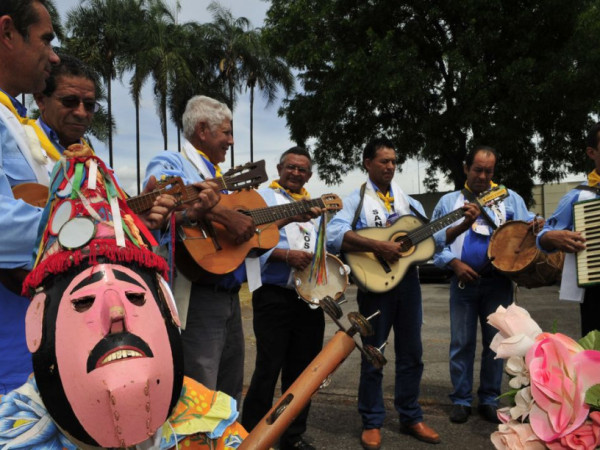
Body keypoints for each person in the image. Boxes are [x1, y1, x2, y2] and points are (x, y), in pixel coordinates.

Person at [0, 153, 246, 449]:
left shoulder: (207, 419)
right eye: (83, 302)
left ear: (167, 305)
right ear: (37, 321)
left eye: (135, 297)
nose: (116, 312)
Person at [327, 137, 440, 449]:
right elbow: (334, 235)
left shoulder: (409, 203)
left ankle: (411, 416)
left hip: (409, 284)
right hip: (375, 285)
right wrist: (378, 245)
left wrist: (461, 223)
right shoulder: (355, 200)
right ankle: (372, 420)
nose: (390, 166)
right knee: (373, 353)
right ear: (368, 163)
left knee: (412, 353)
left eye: (393, 161)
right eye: (384, 161)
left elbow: (435, 238)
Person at [144, 95, 256, 406]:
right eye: (226, 132)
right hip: (198, 295)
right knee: (199, 391)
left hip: (230, 296)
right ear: (203, 130)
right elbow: (164, 199)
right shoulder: (171, 162)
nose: (231, 141)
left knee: (230, 389)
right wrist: (221, 215)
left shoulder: (220, 176)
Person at [431, 145, 536, 425]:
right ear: (466, 168)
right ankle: (461, 400)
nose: (483, 176)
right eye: (477, 170)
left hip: (499, 284)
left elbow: (526, 232)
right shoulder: (449, 202)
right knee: (461, 343)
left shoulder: (510, 198)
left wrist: (536, 228)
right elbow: (433, 243)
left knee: (497, 344)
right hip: (462, 284)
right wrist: (454, 263)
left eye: (489, 171)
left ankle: (489, 399)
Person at [241, 147, 324, 450]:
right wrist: (285, 255)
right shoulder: (263, 199)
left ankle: (292, 436)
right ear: (279, 169)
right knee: (268, 368)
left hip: (309, 299)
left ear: (309, 175)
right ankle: (250, 435)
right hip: (273, 295)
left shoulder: (315, 207)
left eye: (302, 169)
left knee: (302, 374)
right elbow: (251, 241)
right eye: (291, 167)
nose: (296, 173)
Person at [0, 0, 60, 394]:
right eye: (45, 40)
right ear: (7, 33)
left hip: (33, 343)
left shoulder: (15, 120)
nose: (54, 57)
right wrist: (87, 223)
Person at [537, 122, 600, 336]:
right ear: (591, 152)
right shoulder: (579, 196)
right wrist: (551, 237)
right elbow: (544, 235)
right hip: (596, 293)